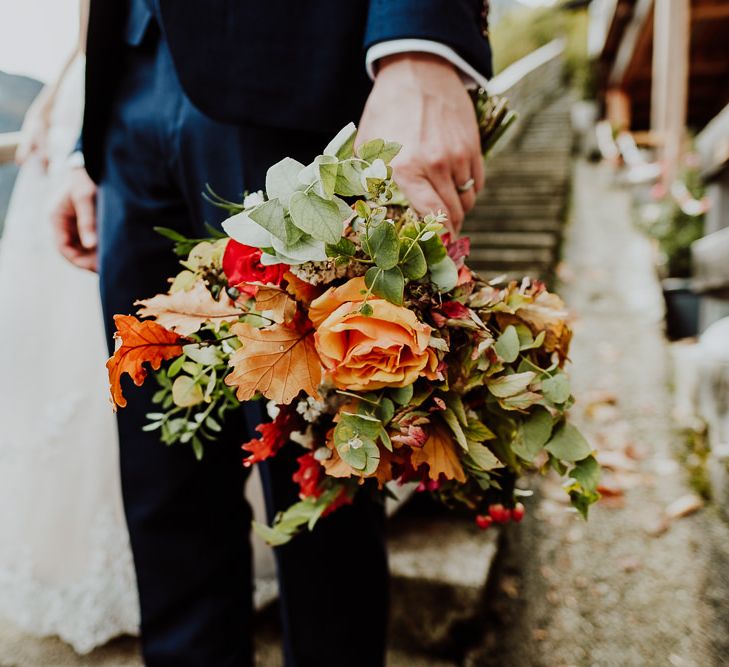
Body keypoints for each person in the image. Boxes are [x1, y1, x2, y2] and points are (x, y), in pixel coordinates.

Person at [51, 1, 493, 665]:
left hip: (295, 70)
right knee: (161, 472)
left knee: (322, 470)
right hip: (128, 85)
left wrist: (421, 41)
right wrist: (86, 142)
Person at [0, 12, 139, 653]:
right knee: (59, 345)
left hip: (117, 93)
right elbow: (93, 19)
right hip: (82, 96)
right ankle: (66, 556)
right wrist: (53, 98)